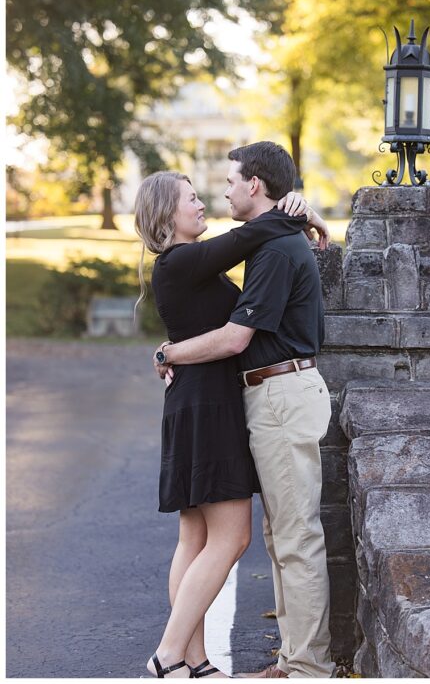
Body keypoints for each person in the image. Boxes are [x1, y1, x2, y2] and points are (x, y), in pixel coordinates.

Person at [134, 170, 327, 678]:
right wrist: (304, 212)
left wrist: (167, 351)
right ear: (166, 214)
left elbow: (255, 232)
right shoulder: (182, 261)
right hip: (209, 407)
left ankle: (193, 664)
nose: (202, 204)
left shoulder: (184, 267)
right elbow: (255, 232)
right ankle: (168, 655)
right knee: (230, 538)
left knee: (193, 540)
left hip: (195, 403)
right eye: (191, 199)